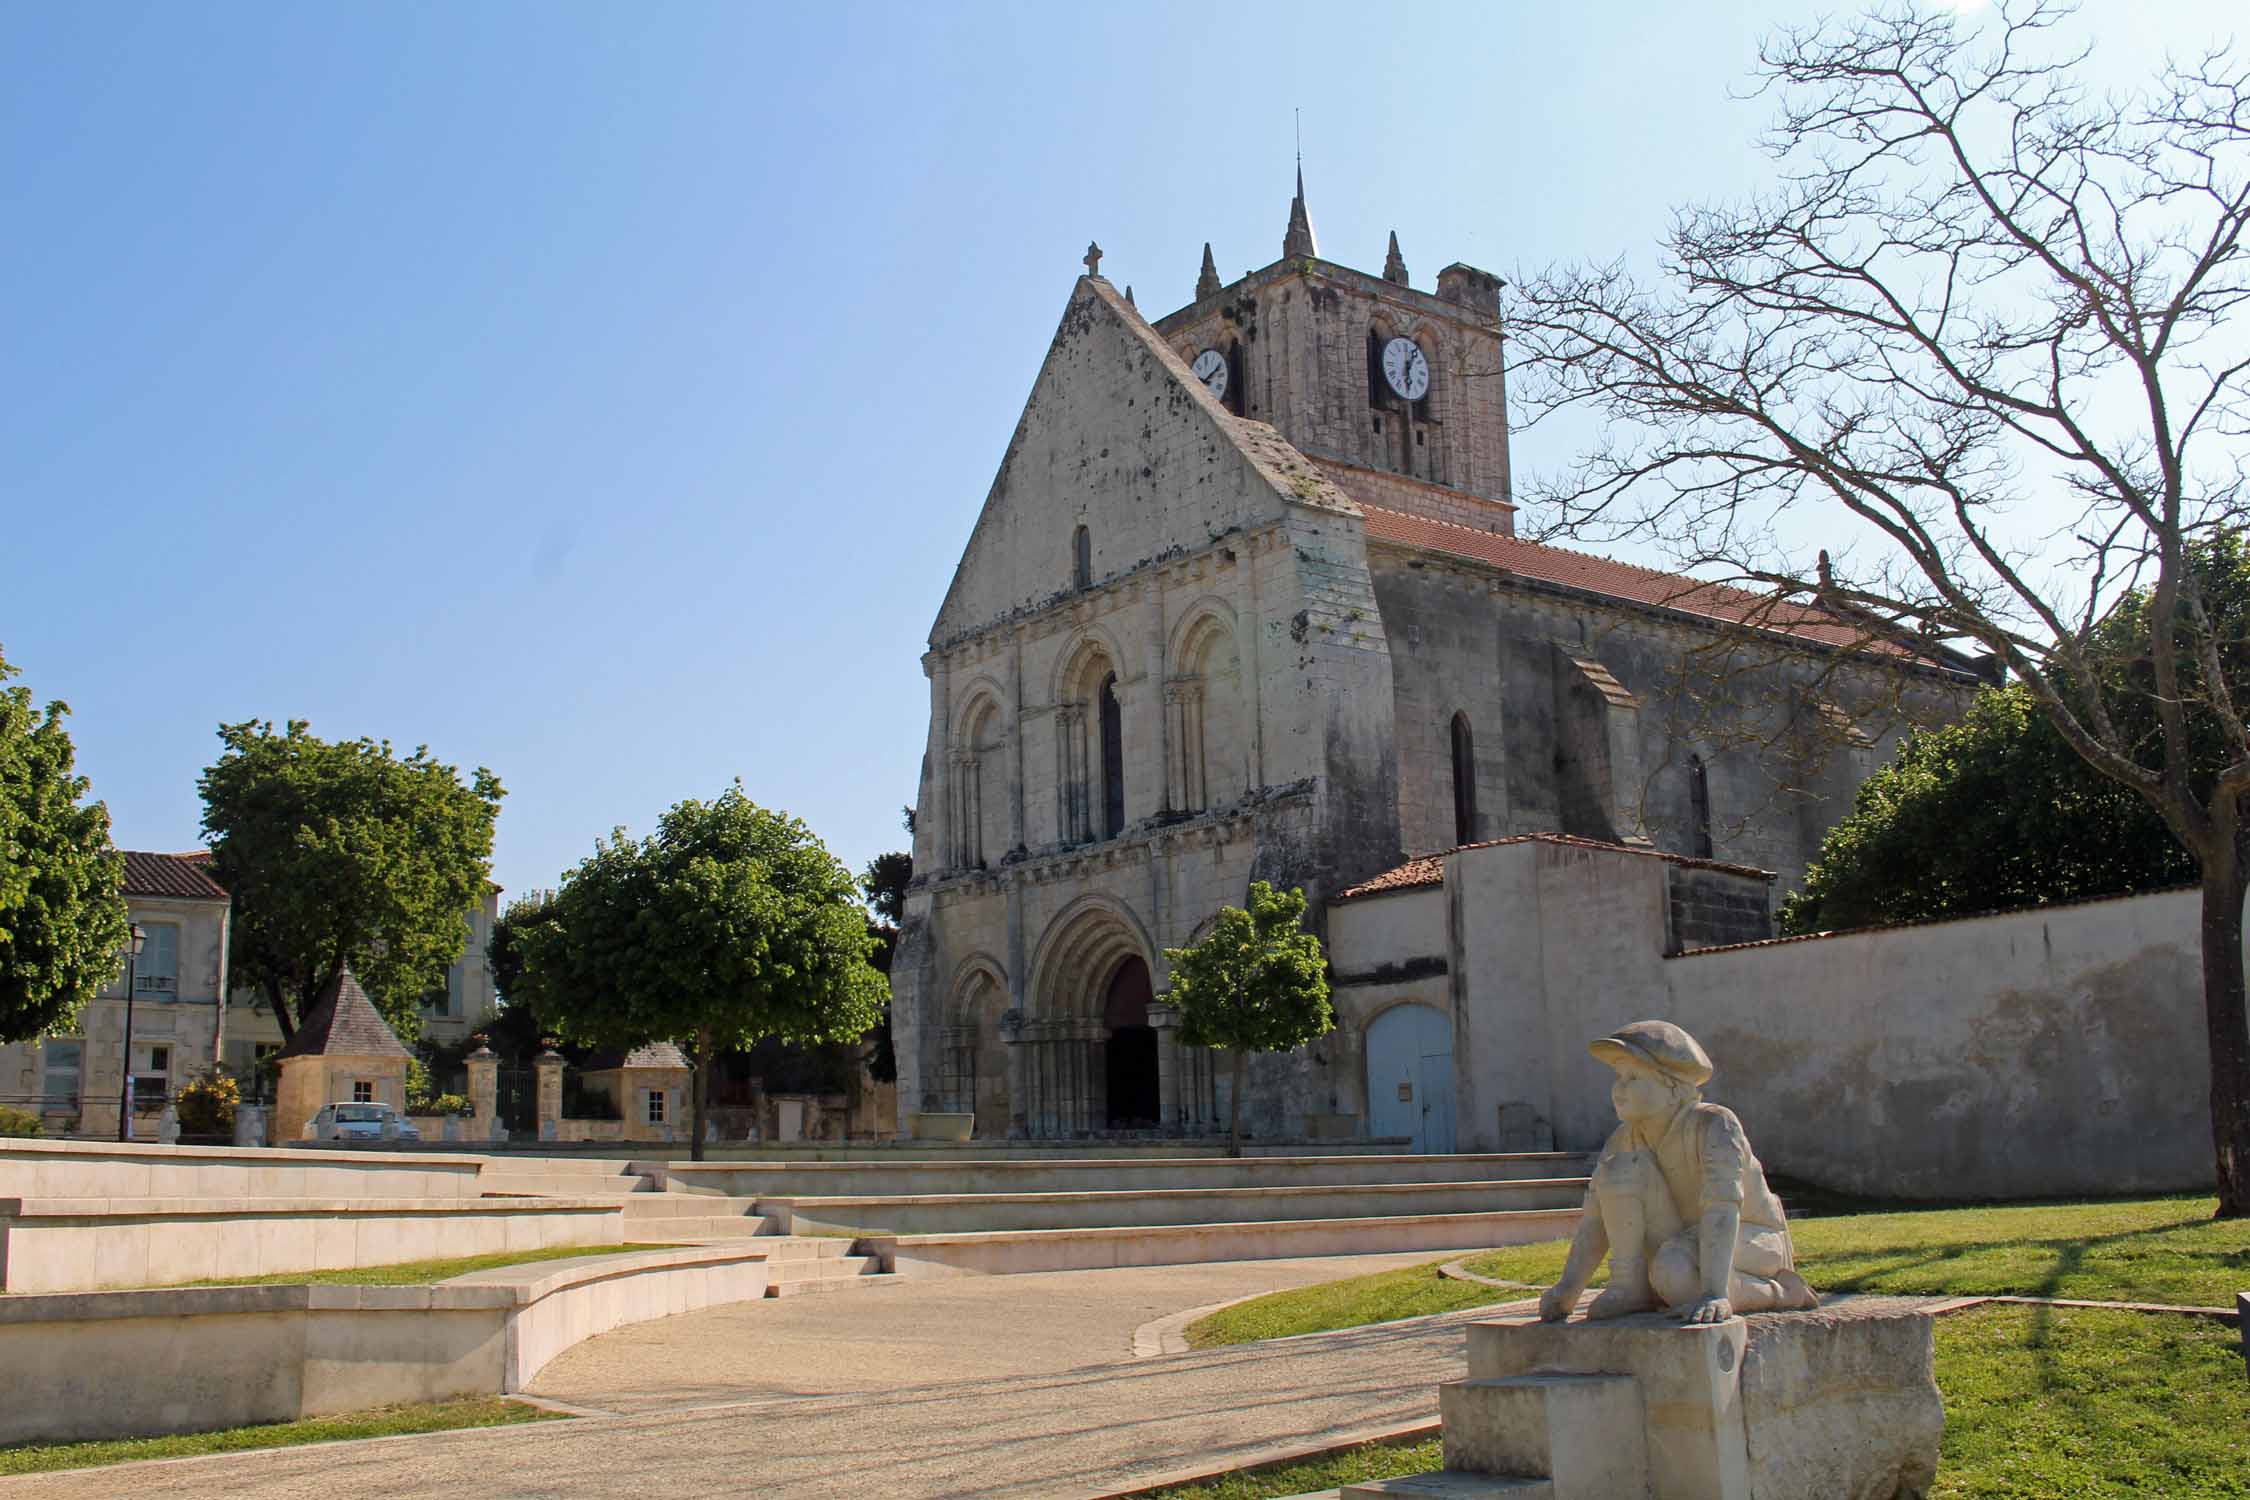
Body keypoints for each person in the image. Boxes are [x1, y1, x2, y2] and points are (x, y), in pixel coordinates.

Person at [1538, 1019, 1818, 1325]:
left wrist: (1715, 1292)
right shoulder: (1623, 1138)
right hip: (1681, 1240)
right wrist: (1568, 1290)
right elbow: (1595, 1221)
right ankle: (1629, 1287)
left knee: (1673, 1272)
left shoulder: (1715, 1125)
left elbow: (1722, 1209)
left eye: (1633, 1077)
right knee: (1621, 1172)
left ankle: (1781, 1291)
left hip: (1750, 1236)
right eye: (1619, 1076)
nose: (1619, 1088)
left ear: (1672, 1088)